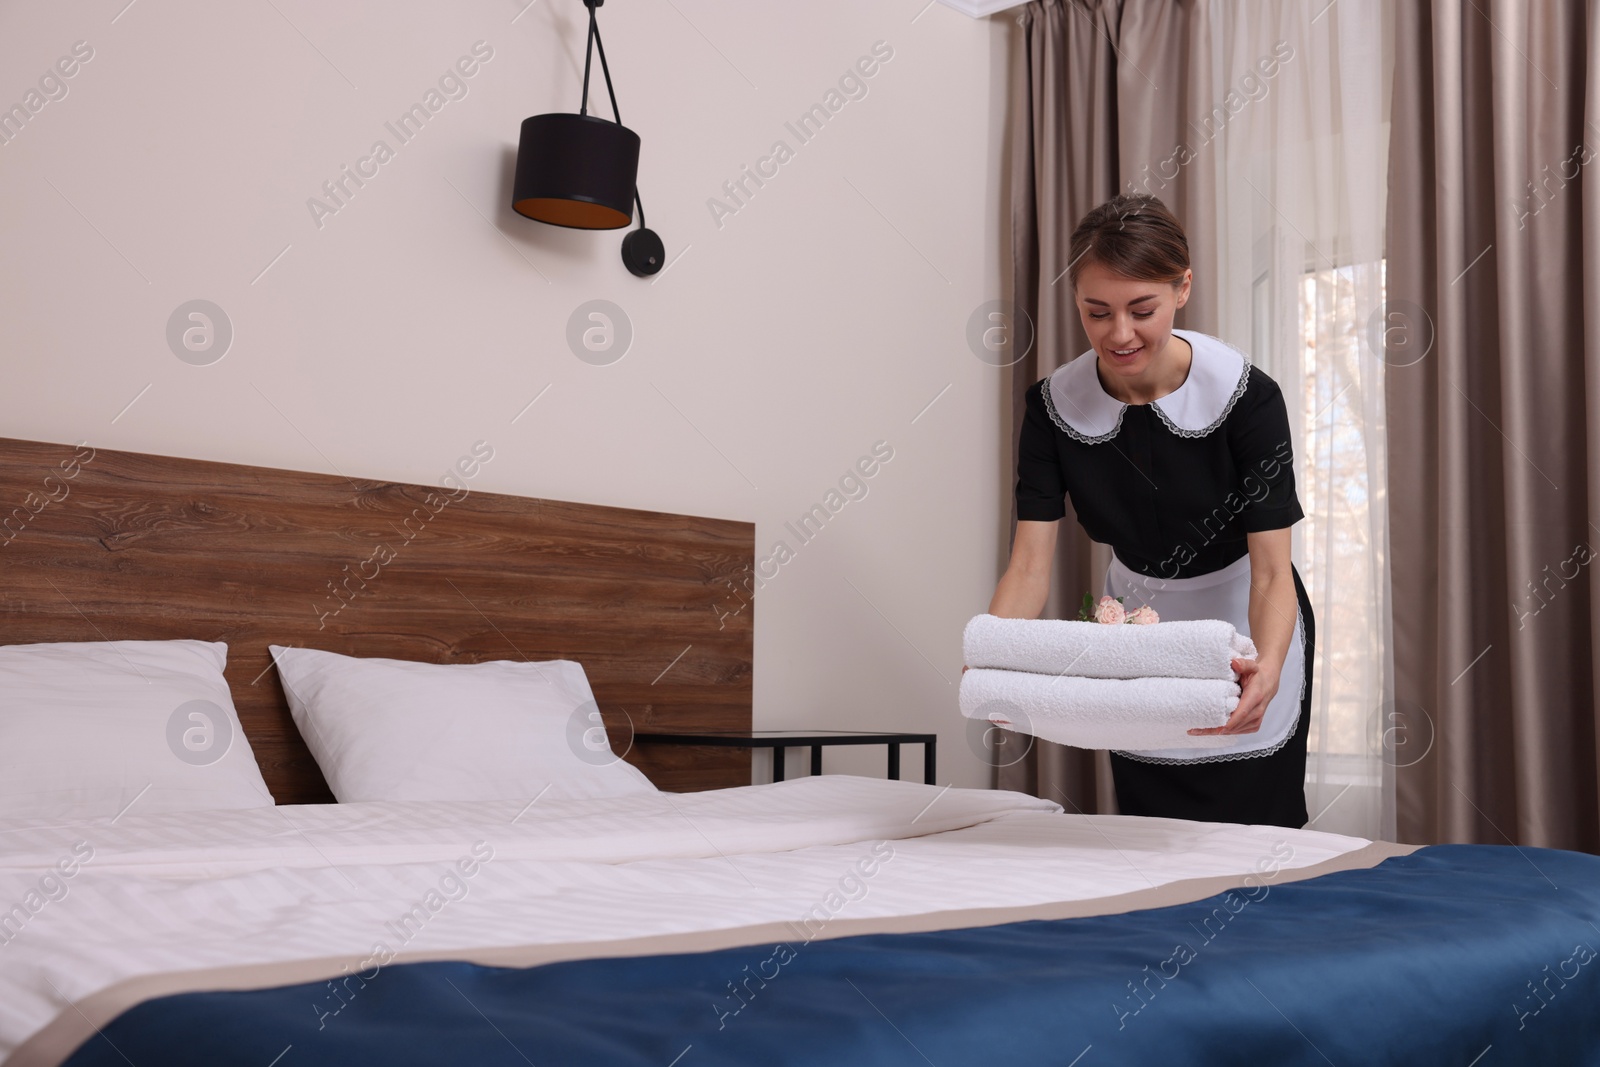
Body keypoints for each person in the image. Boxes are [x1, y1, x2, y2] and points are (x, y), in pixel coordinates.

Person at [985, 193, 1315, 828]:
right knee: (1147, 829)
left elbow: (1273, 571)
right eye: (1096, 311)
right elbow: (1029, 564)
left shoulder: (1247, 400)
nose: (1119, 334)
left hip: (1248, 617)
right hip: (1138, 632)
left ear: (1182, 287)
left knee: (1257, 825)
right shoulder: (1054, 408)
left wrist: (1267, 665)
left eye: (1142, 310)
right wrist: (994, 655)